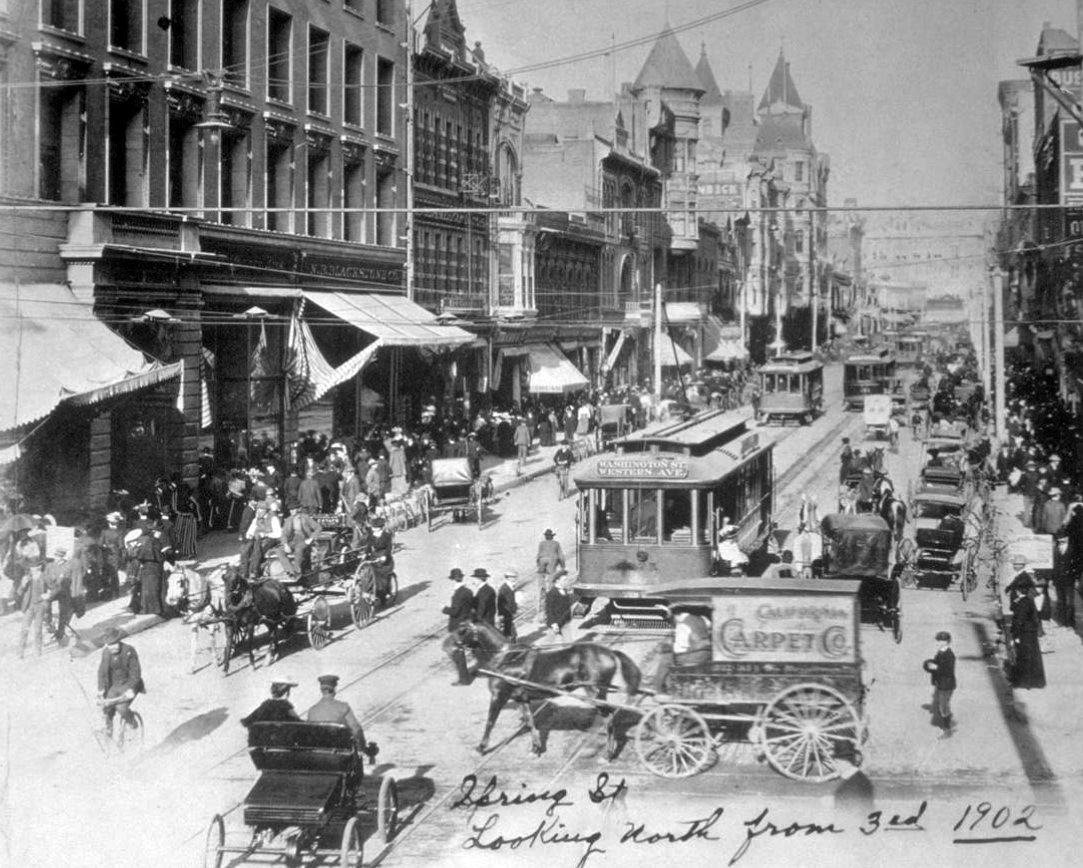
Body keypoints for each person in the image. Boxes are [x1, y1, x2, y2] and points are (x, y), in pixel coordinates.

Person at [97, 627, 144, 738]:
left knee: (121, 708)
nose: (112, 647)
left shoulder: (129, 650)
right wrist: (101, 689)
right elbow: (101, 672)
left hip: (128, 684)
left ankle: (133, 723)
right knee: (106, 708)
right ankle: (109, 734)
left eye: (115, 643)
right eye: (109, 644)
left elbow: (135, 674)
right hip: (114, 686)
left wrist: (130, 689)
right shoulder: (106, 653)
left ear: (119, 641)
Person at [306, 675, 370, 751]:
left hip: (317, 755)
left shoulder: (312, 710)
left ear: (321, 690)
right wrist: (361, 748)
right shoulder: (343, 707)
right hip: (339, 755)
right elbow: (356, 730)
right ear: (334, 689)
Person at [1008, 570, 1046, 689]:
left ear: (1019, 590)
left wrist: (1016, 636)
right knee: (1033, 657)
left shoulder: (1022, 603)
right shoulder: (1028, 601)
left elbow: (1019, 621)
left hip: (1024, 634)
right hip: (1030, 633)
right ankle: (1036, 681)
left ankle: (1024, 682)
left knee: (1024, 658)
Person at [441, 568, 475, 685]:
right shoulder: (468, 591)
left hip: (457, 626)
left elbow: (455, 611)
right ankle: (464, 676)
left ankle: (464, 679)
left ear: (454, 580)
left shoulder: (458, 594)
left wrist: (444, 609)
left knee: (457, 652)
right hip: (466, 623)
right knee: (459, 651)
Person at [923, 630, 957, 736]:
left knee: (943, 707)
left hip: (946, 684)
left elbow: (948, 671)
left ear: (946, 641)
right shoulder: (941, 652)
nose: (938, 642)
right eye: (938, 640)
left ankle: (947, 730)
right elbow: (937, 663)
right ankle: (948, 720)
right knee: (941, 705)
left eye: (941, 640)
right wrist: (929, 663)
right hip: (941, 683)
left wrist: (936, 667)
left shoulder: (949, 655)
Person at [832, 741, 875, 818]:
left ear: (845, 762)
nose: (834, 766)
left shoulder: (853, 784)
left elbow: (852, 813)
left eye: (836, 762)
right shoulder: (859, 778)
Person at [279, 505, 320, 580]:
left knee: (299, 548)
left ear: (298, 509)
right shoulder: (288, 520)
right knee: (280, 551)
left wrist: (311, 538)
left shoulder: (305, 517)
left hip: (304, 539)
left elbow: (318, 528)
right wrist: (285, 544)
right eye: (290, 510)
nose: (292, 511)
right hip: (293, 540)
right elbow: (284, 533)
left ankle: (297, 570)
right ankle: (290, 570)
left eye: (293, 509)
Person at [534, 529, 565, 623]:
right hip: (552, 560)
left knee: (541, 587)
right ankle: (549, 611)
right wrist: (563, 567)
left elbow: (538, 555)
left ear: (545, 536)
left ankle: (540, 613)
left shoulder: (541, 543)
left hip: (542, 560)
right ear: (552, 536)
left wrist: (539, 567)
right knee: (551, 585)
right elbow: (561, 556)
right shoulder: (556, 543)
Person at [497, 571, 518, 640]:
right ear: (508, 578)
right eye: (513, 577)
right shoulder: (504, 588)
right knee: (508, 631)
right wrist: (501, 614)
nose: (515, 578)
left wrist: (514, 609)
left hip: (509, 613)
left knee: (510, 630)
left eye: (515, 577)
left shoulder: (510, 586)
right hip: (506, 613)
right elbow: (500, 602)